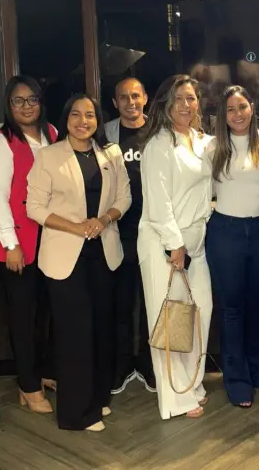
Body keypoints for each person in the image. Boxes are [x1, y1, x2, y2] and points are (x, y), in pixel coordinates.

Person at [26, 94, 131, 431]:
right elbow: (34, 207)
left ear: (98, 121)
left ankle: (97, 400)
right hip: (65, 255)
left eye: (89, 115)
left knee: (101, 329)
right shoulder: (49, 156)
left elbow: (124, 197)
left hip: (104, 251)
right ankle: (76, 414)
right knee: (75, 333)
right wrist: (76, 227)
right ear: (66, 119)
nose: (82, 121)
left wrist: (103, 220)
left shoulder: (111, 154)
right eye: (75, 114)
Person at [138, 74, 213, 420]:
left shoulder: (199, 140)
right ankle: (174, 397)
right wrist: (174, 245)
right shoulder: (159, 144)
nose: (186, 105)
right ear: (166, 104)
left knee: (200, 314)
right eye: (179, 98)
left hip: (196, 241)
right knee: (169, 319)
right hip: (165, 244)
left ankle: (191, 384)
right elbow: (158, 202)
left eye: (191, 98)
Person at [204, 85, 259, 408]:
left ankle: (257, 369)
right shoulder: (212, 148)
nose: (237, 114)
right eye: (230, 109)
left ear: (252, 107)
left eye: (242, 107)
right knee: (232, 309)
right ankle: (236, 380)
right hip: (225, 232)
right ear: (223, 115)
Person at [0, 75, 58, 413]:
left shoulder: (51, 134)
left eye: (32, 100)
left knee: (44, 312)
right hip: (17, 242)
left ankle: (40, 373)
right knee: (22, 317)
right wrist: (11, 244)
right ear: (8, 105)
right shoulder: (2, 143)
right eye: (18, 101)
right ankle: (28, 386)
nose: (26, 107)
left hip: (49, 239)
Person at [104, 77, 156, 394]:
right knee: (121, 304)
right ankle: (122, 366)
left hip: (152, 231)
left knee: (152, 304)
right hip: (118, 232)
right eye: (123, 97)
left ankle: (149, 366)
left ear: (145, 98)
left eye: (135, 95)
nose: (130, 102)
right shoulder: (105, 134)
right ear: (115, 102)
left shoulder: (159, 132)